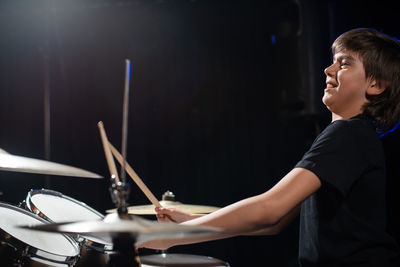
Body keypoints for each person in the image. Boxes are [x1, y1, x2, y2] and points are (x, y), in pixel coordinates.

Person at [139, 28, 400, 266]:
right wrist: (188, 221)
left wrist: (172, 235)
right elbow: (275, 222)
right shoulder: (353, 138)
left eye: (343, 64)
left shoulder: (348, 134)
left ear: (376, 84)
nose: (328, 70)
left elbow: (269, 209)